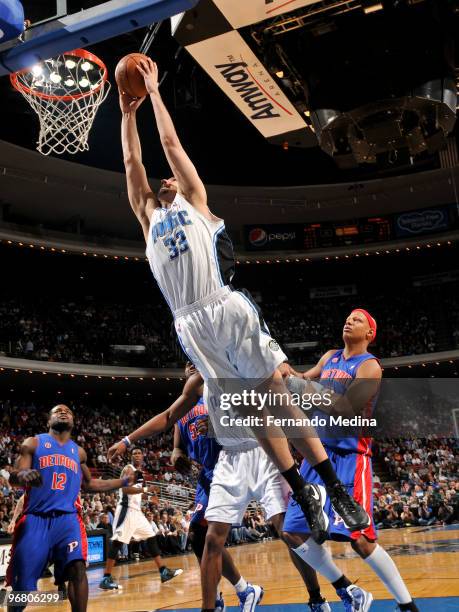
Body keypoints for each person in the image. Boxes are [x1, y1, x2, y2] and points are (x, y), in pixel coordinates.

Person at [119, 56, 369, 553]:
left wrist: (155, 95)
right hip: (189, 326)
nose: (165, 181)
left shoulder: (195, 199)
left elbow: (169, 146)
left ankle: (332, 487)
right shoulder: (148, 215)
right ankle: (302, 489)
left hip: (223, 306)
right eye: (161, 181)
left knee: (274, 390)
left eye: (170, 179)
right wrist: (127, 113)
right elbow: (133, 164)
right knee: (250, 406)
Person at [282, 309, 419, 612]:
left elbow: (345, 407)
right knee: (292, 530)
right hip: (317, 456)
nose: (349, 321)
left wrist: (303, 387)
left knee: (360, 540)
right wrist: (281, 369)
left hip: (350, 456)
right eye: (347, 318)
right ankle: (347, 588)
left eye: (357, 320)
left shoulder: (370, 366)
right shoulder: (330, 356)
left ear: (370, 333)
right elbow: (302, 380)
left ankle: (407, 605)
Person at [7, 404, 133, 612]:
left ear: (73, 422)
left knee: (77, 568)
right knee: (22, 584)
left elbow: (90, 484)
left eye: (67, 411)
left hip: (67, 519)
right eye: (57, 411)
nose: (63, 412)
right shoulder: (34, 442)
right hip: (36, 518)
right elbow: (15, 475)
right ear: (48, 421)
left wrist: (123, 482)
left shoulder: (79, 452)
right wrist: (22, 475)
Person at [99, 447, 182, 590]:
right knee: (118, 542)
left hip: (136, 512)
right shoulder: (128, 469)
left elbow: (137, 493)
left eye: (139, 453)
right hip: (126, 509)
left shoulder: (140, 474)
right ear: (131, 457)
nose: (137, 455)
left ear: (143, 457)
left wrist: (150, 497)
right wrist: (146, 490)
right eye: (134, 453)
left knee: (151, 537)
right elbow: (125, 490)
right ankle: (106, 578)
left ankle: (163, 571)